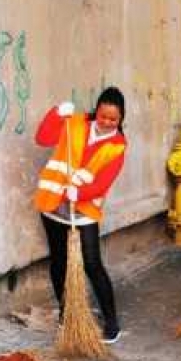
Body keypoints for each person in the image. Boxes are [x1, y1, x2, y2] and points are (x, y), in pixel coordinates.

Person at [33, 87, 128, 344]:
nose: (107, 122)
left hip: (83, 211)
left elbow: (104, 181)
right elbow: (43, 138)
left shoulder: (117, 145)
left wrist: (81, 193)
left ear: (120, 120)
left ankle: (111, 322)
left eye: (113, 119)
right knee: (59, 262)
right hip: (53, 205)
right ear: (96, 110)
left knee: (92, 264)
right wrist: (55, 114)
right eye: (103, 116)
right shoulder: (73, 123)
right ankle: (67, 313)